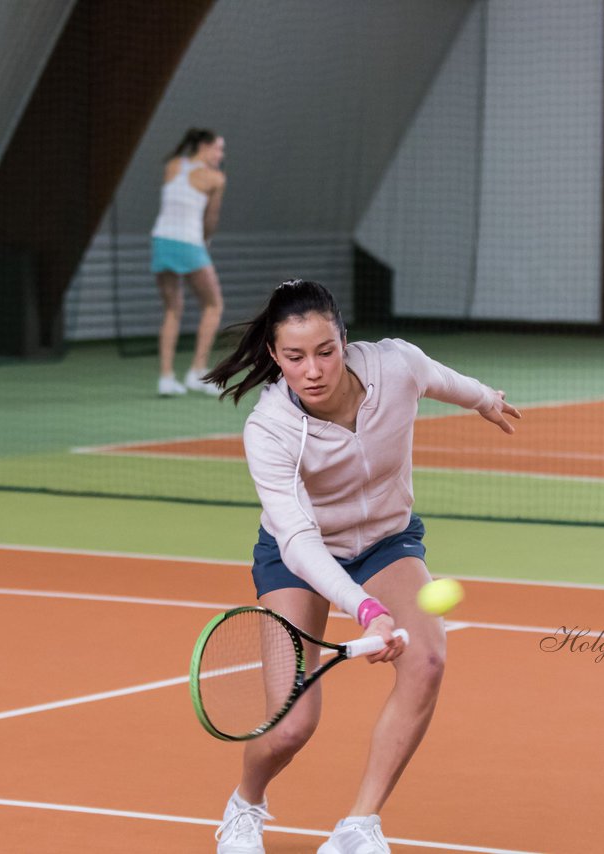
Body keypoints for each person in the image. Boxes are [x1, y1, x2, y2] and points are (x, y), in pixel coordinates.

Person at [203, 280, 521, 854]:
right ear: (276, 357)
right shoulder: (270, 428)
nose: (314, 370)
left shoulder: (394, 366)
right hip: (297, 557)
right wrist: (365, 608)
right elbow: (299, 539)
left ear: (344, 341)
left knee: (426, 658)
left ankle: (359, 826)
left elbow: (444, 380)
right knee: (292, 726)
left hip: (385, 540)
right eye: (295, 357)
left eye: (325, 351)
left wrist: (484, 400)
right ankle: (246, 805)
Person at [151, 127, 227, 396]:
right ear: (204, 147)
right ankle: (197, 371)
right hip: (190, 244)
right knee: (214, 304)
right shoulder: (216, 178)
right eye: (218, 148)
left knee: (172, 309)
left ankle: (166, 378)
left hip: (161, 241)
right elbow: (211, 219)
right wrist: (205, 241)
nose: (221, 154)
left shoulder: (172, 166)